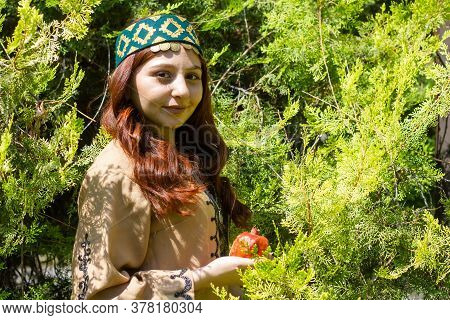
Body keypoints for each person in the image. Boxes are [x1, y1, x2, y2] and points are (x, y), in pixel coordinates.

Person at [71, 14, 254, 300]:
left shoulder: (184, 153)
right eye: (163, 75)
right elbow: (96, 301)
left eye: (192, 77)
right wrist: (202, 279)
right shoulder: (115, 172)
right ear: (127, 83)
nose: (182, 90)